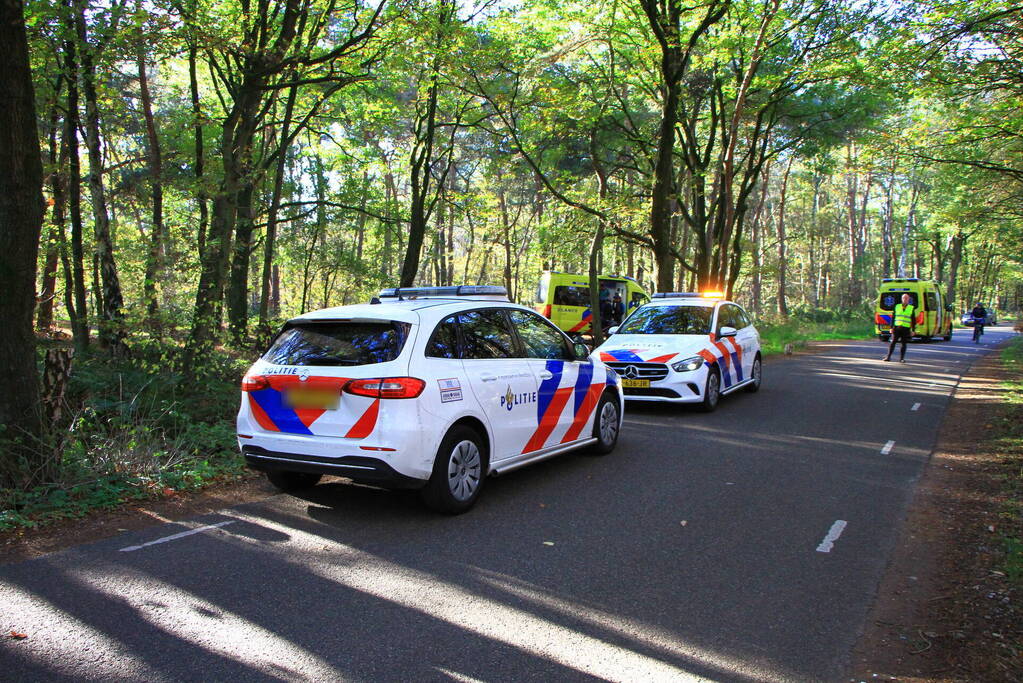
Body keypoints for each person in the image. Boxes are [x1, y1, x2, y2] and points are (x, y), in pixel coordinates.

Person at [883, 293, 916, 362]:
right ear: (901, 299)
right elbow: (893, 317)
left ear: (908, 299)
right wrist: (891, 328)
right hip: (897, 328)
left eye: (906, 298)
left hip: (906, 328)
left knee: (904, 343)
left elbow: (913, 320)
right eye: (904, 298)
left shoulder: (911, 308)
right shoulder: (897, 306)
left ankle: (902, 358)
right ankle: (888, 357)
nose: (905, 299)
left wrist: (913, 330)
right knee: (893, 342)